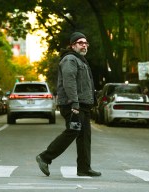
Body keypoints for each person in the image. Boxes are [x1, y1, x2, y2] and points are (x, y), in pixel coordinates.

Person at [36, 32, 101, 177]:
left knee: (84, 136)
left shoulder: (80, 60)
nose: (84, 45)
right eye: (80, 42)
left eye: (86, 43)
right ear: (72, 45)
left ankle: (84, 168)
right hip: (72, 104)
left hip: (83, 104)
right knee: (73, 131)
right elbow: (69, 82)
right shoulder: (70, 59)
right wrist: (75, 103)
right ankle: (45, 157)